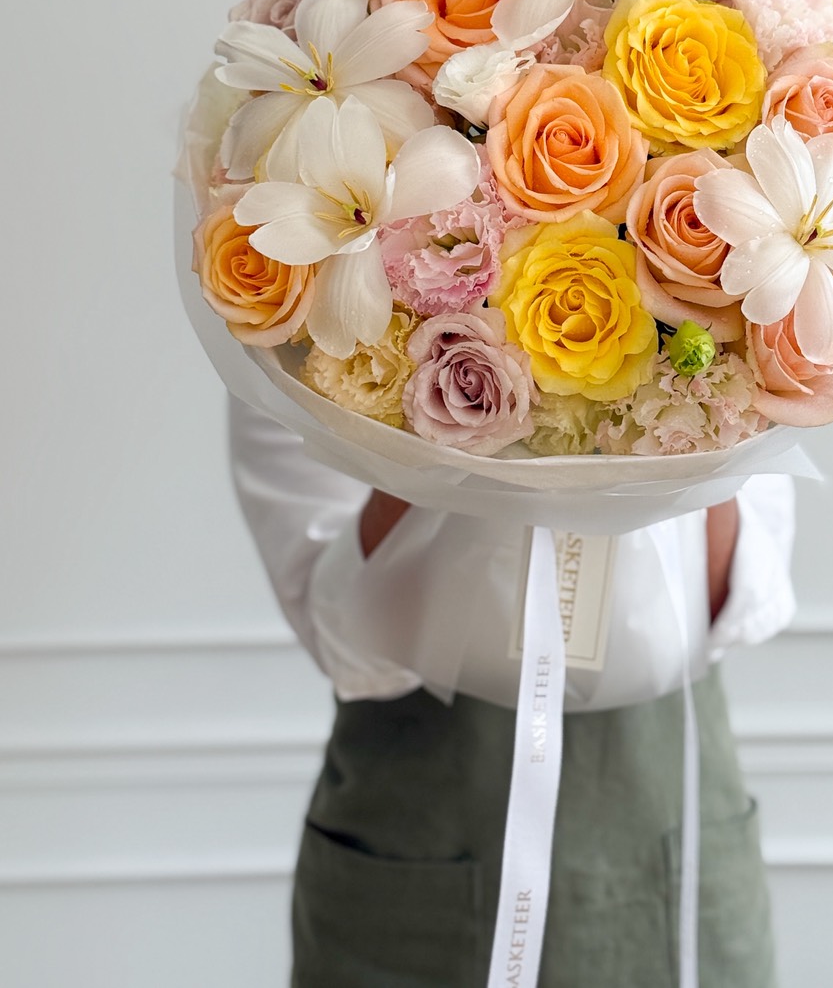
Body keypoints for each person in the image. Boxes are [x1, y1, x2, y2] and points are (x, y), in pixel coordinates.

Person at [228, 393, 797, 988]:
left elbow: (737, 602)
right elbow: (346, 640)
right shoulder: (285, 347)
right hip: (413, 862)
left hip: (672, 843)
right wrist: (440, 423)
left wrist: (702, 416)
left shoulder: (749, 321)